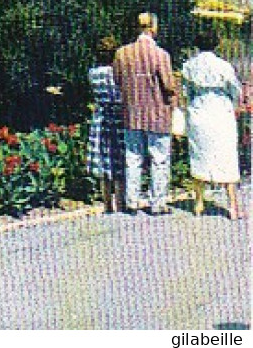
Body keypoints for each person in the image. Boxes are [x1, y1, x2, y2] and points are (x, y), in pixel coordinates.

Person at [112, 12, 179, 215]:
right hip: (157, 114)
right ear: (153, 28)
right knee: (159, 159)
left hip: (131, 113)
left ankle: (132, 201)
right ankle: (157, 203)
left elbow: (117, 79)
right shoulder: (161, 55)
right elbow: (168, 85)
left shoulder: (122, 53)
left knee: (133, 158)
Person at [181, 23, 244, 220]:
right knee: (226, 156)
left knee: (199, 154)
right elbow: (235, 89)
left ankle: (199, 202)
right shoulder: (224, 66)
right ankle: (233, 205)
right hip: (220, 113)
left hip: (199, 112)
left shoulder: (189, 66)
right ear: (215, 45)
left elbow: (186, 92)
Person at [86, 36, 125, 213]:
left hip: (100, 116)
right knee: (118, 159)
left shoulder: (93, 73)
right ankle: (121, 201)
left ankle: (107, 203)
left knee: (103, 161)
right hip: (117, 116)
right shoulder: (117, 72)